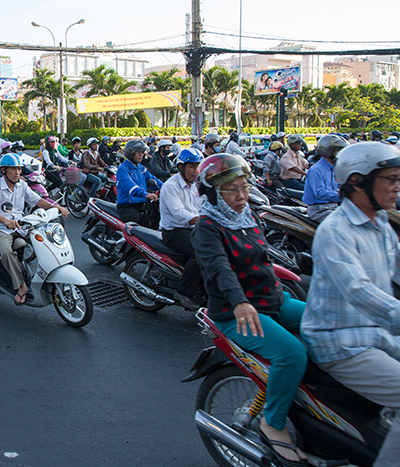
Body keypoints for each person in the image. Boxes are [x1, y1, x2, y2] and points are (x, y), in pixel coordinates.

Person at [192, 153, 308, 467]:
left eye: (244, 187)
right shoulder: (206, 228)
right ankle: (273, 422)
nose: (241, 196)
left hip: (274, 300)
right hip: (235, 313)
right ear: (215, 193)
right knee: (292, 354)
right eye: (231, 190)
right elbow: (219, 269)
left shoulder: (248, 216)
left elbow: (266, 259)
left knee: (326, 324)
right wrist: (240, 301)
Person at [301, 142, 400, 467]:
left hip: (378, 334)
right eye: (390, 179)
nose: (397, 187)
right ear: (358, 182)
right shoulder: (335, 232)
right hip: (342, 343)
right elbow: (358, 290)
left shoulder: (381, 225)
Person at [0, 153, 70, 305]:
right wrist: (5, 220)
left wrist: (56, 206)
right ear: (3, 170)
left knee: (44, 236)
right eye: (12, 169)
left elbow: (36, 200)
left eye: (19, 169)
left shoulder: (22, 185)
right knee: (6, 251)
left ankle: (51, 271)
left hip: (20, 225)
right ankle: (21, 286)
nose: (17, 172)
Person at [159, 147, 205, 310]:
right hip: (175, 232)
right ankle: (184, 293)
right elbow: (179, 214)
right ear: (181, 167)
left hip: (193, 228)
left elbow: (204, 204)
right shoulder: (171, 186)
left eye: (198, 166)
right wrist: (202, 221)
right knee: (201, 251)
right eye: (191, 166)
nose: (195, 170)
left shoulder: (195, 185)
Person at [302, 134, 349, 222]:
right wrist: (342, 196)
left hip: (332, 207)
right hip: (319, 210)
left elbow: (340, 185)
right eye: (338, 152)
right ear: (328, 152)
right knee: (344, 222)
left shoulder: (334, 169)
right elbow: (320, 193)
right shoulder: (316, 170)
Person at [117, 140, 162, 224]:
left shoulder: (141, 168)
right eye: (138, 152)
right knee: (136, 229)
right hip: (128, 207)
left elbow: (153, 180)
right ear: (130, 153)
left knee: (155, 218)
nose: (141, 154)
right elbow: (131, 187)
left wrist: (167, 188)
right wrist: (146, 194)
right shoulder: (123, 169)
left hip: (142, 203)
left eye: (142, 152)